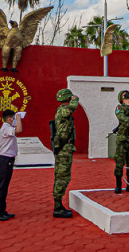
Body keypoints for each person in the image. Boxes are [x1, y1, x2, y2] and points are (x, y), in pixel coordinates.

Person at [0, 108, 23, 221]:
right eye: (13, 118)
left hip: (8, 159)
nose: (15, 120)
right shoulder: (6, 128)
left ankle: (2, 210)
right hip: (5, 159)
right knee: (2, 186)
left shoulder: (8, 128)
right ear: (10, 119)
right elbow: (19, 130)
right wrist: (19, 118)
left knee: (4, 187)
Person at [51, 88, 78, 218]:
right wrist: (75, 99)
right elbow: (72, 108)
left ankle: (58, 203)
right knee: (63, 176)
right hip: (64, 147)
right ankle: (58, 207)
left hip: (63, 146)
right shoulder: (63, 110)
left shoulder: (60, 110)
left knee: (61, 175)